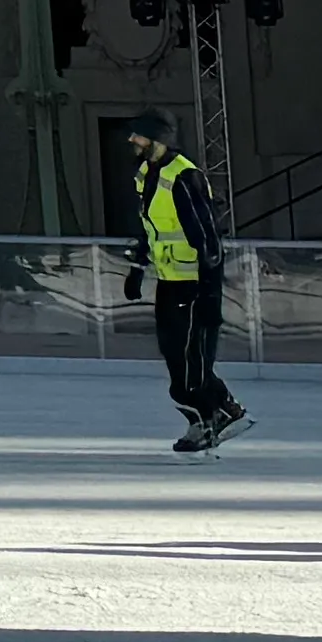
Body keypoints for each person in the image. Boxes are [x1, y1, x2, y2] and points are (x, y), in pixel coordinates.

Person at [117, 117, 248, 455]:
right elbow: (150, 228)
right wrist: (137, 267)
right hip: (170, 279)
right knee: (174, 354)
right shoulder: (146, 175)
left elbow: (207, 237)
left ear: (157, 139)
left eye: (139, 136)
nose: (132, 141)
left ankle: (214, 416)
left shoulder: (183, 175)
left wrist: (208, 288)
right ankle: (216, 413)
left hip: (194, 282)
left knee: (190, 363)